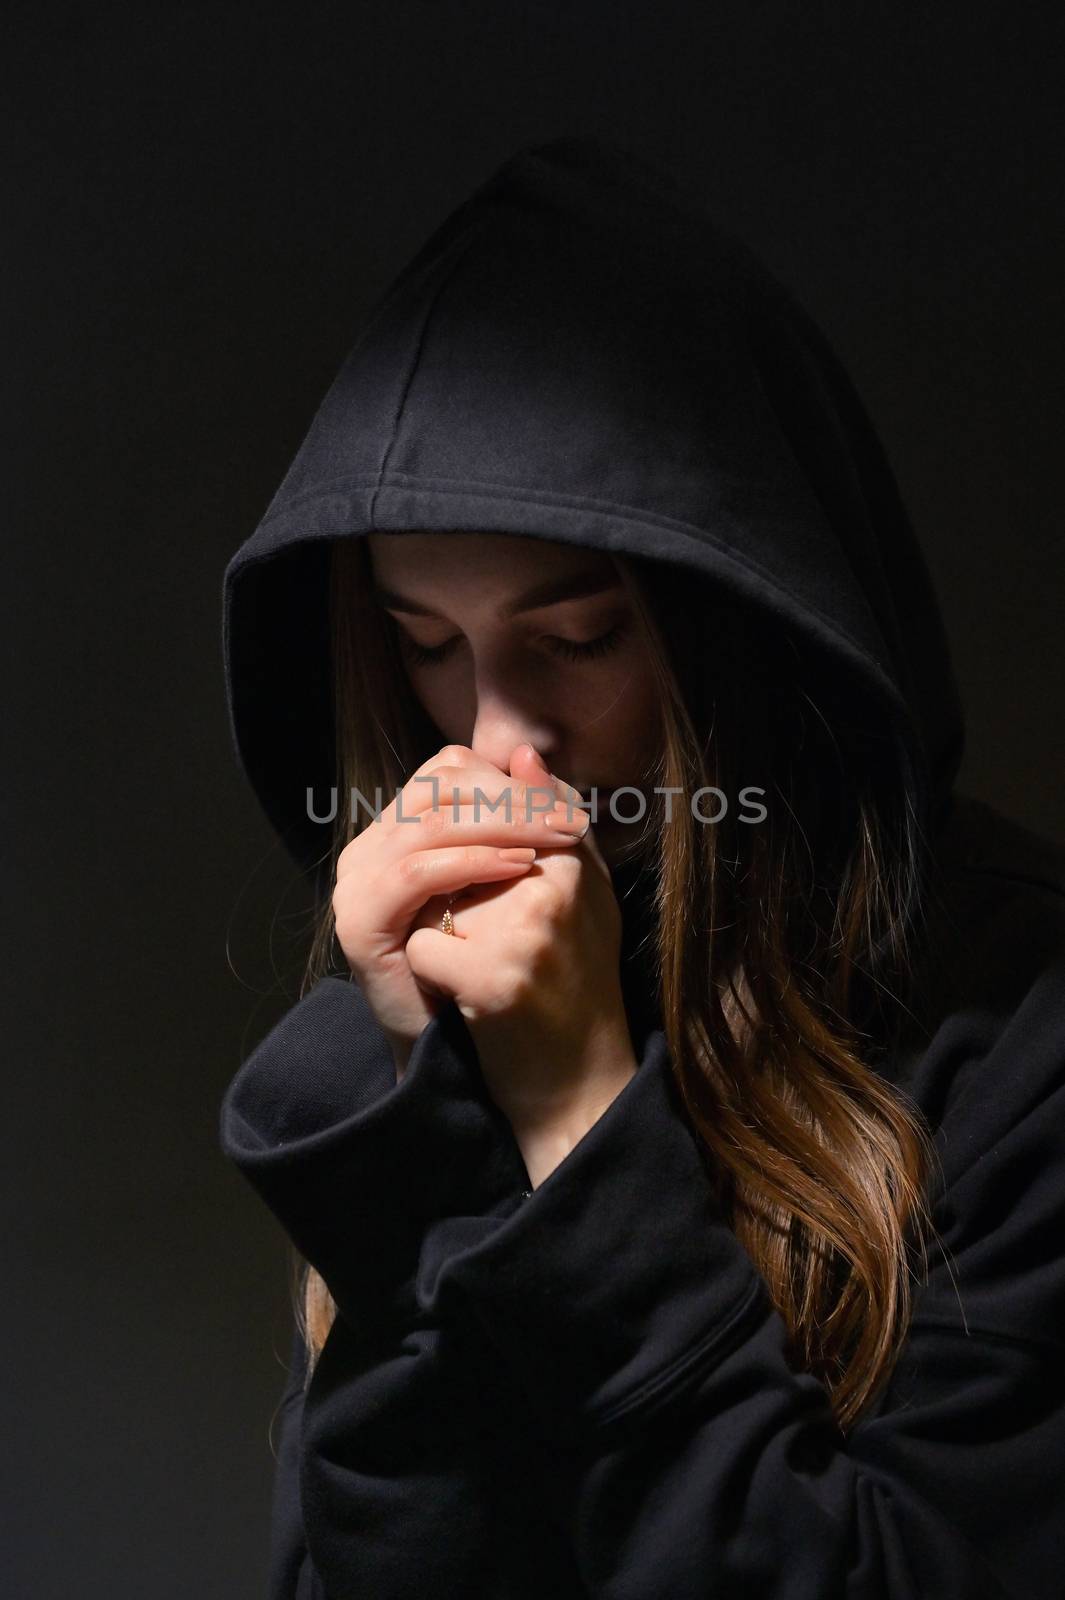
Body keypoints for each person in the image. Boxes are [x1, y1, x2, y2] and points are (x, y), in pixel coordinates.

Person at [218, 135, 1065, 1599]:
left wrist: (579, 1117)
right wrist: (437, 1133)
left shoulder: (1022, 1031)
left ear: (749, 618)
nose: (493, 741)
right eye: (426, 645)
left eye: (578, 638)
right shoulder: (436, 997)